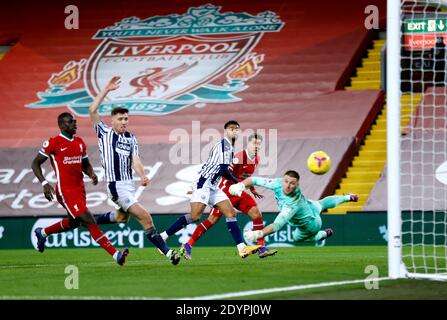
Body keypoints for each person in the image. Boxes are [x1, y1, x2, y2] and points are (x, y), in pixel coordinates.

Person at [89, 76, 181, 265]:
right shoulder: (103, 132)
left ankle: (89, 221)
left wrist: (142, 175)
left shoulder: (131, 137)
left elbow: (135, 159)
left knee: (121, 218)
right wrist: (106, 88)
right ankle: (168, 253)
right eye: (121, 119)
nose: (124, 122)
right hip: (116, 186)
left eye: (126, 119)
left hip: (128, 185)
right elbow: (92, 110)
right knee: (145, 217)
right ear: (112, 120)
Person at [31, 112, 129, 266]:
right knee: (89, 220)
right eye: (71, 122)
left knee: (75, 222)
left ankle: (43, 232)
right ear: (62, 125)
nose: (75, 124)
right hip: (65, 191)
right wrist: (44, 183)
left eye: (75, 121)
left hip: (80, 190)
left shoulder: (80, 142)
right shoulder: (53, 143)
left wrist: (91, 174)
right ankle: (116, 255)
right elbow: (35, 163)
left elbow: (85, 164)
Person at [160, 121, 261, 259]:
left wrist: (242, 184)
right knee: (195, 216)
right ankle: (163, 236)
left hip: (214, 185)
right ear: (225, 130)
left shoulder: (229, 147)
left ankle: (242, 248)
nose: (235, 131)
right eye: (232, 129)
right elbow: (223, 170)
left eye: (237, 129)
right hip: (205, 183)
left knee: (230, 213)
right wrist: (239, 183)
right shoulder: (224, 146)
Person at [182, 133, 277, 259]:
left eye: (258, 144)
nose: (256, 146)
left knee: (256, 214)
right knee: (212, 220)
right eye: (254, 143)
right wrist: (201, 188)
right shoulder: (238, 157)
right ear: (248, 144)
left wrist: (252, 189)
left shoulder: (256, 159)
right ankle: (188, 245)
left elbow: (245, 176)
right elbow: (224, 172)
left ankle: (262, 247)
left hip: (238, 192)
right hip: (225, 192)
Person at [229, 170, 358, 244]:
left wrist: (258, 234)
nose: (287, 186)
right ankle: (348, 197)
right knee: (322, 203)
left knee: (297, 237)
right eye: (286, 181)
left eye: (292, 184)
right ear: (283, 180)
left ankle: (323, 234)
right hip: (309, 206)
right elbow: (254, 180)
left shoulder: (292, 203)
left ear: (297, 185)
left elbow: (277, 225)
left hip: (311, 224)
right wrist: (240, 186)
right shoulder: (278, 183)